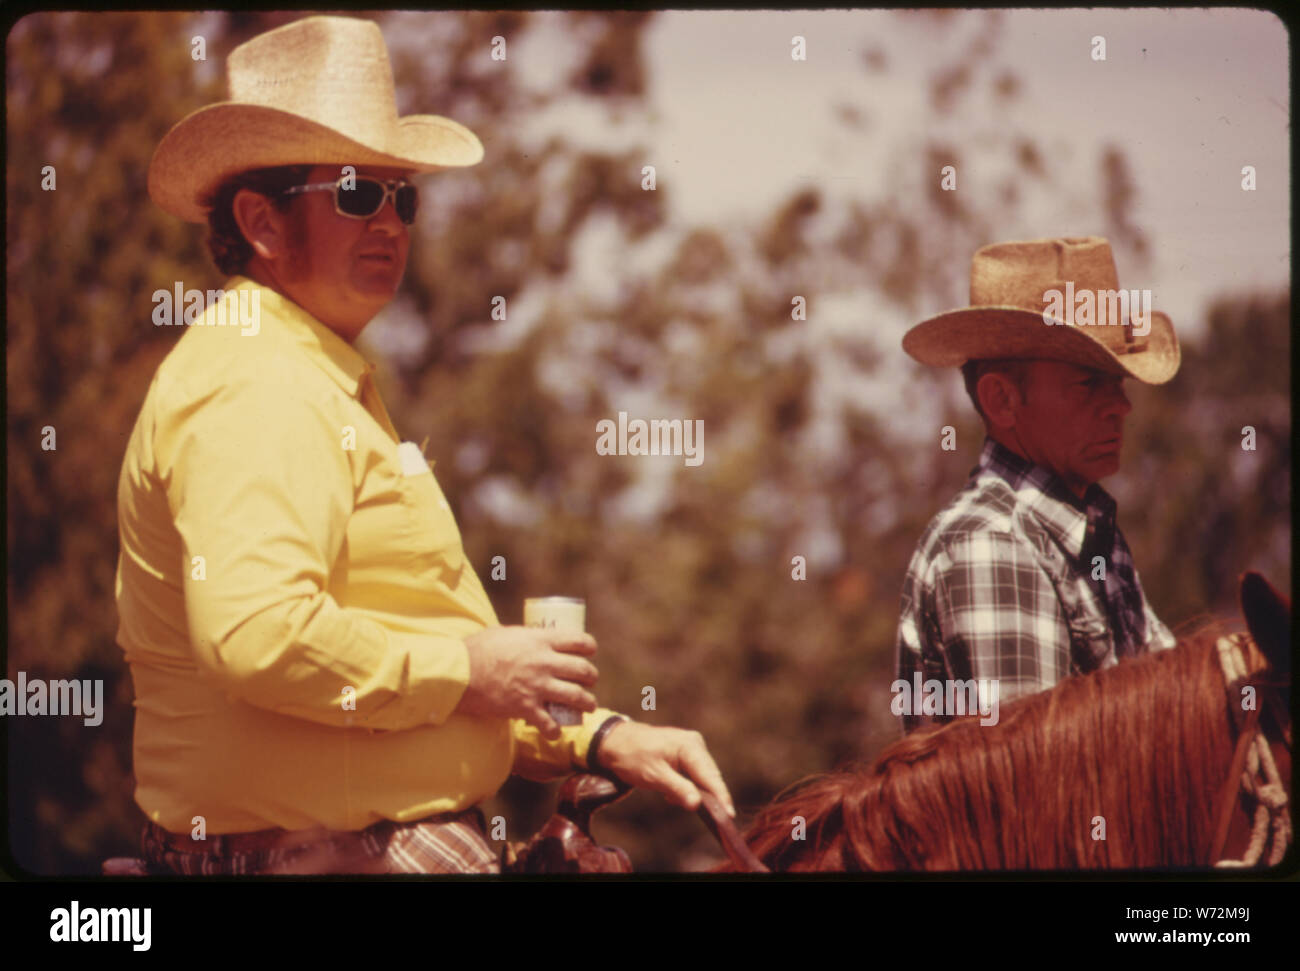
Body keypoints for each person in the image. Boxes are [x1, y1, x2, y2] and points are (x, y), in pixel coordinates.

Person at [116, 14, 733, 874]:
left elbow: (406, 655)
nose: (392, 222)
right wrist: (474, 672)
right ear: (260, 220)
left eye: (401, 196)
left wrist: (597, 737)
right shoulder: (256, 377)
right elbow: (258, 635)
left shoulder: (307, 371)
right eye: (357, 194)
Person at [893, 236, 1180, 733]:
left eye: (1119, 381)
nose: (1121, 405)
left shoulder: (1087, 534)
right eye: (1090, 382)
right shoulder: (993, 545)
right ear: (1002, 400)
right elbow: (1041, 796)